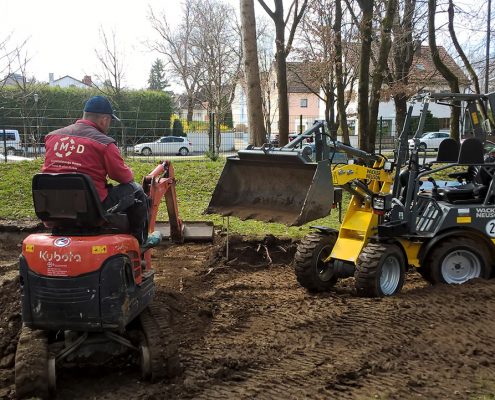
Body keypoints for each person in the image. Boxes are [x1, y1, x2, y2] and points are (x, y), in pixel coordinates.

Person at [42, 95, 158, 246]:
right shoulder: (104, 143)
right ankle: (140, 241)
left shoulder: (52, 137)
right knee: (135, 190)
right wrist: (129, 171)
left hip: (53, 210)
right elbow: (124, 177)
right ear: (104, 120)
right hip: (90, 210)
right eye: (109, 121)